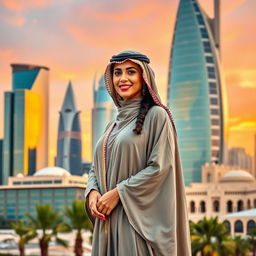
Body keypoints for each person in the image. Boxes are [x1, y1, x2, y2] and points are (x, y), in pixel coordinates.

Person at [85, 50, 191, 256]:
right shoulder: (112, 125)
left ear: (144, 77)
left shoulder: (157, 116)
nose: (123, 78)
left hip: (135, 223)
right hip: (107, 223)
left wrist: (118, 193)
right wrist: (92, 191)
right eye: (117, 73)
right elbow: (95, 167)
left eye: (131, 72)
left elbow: (160, 168)